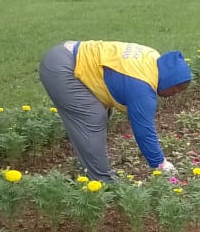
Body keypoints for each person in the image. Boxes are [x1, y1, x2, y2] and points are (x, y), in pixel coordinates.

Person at [38, 40, 191, 181]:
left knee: (100, 113)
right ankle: (101, 181)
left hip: (68, 53)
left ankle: (87, 166)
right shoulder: (142, 87)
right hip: (63, 69)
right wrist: (161, 164)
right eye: (175, 89)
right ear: (169, 80)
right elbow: (144, 131)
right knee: (93, 117)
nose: (173, 95)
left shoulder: (153, 59)